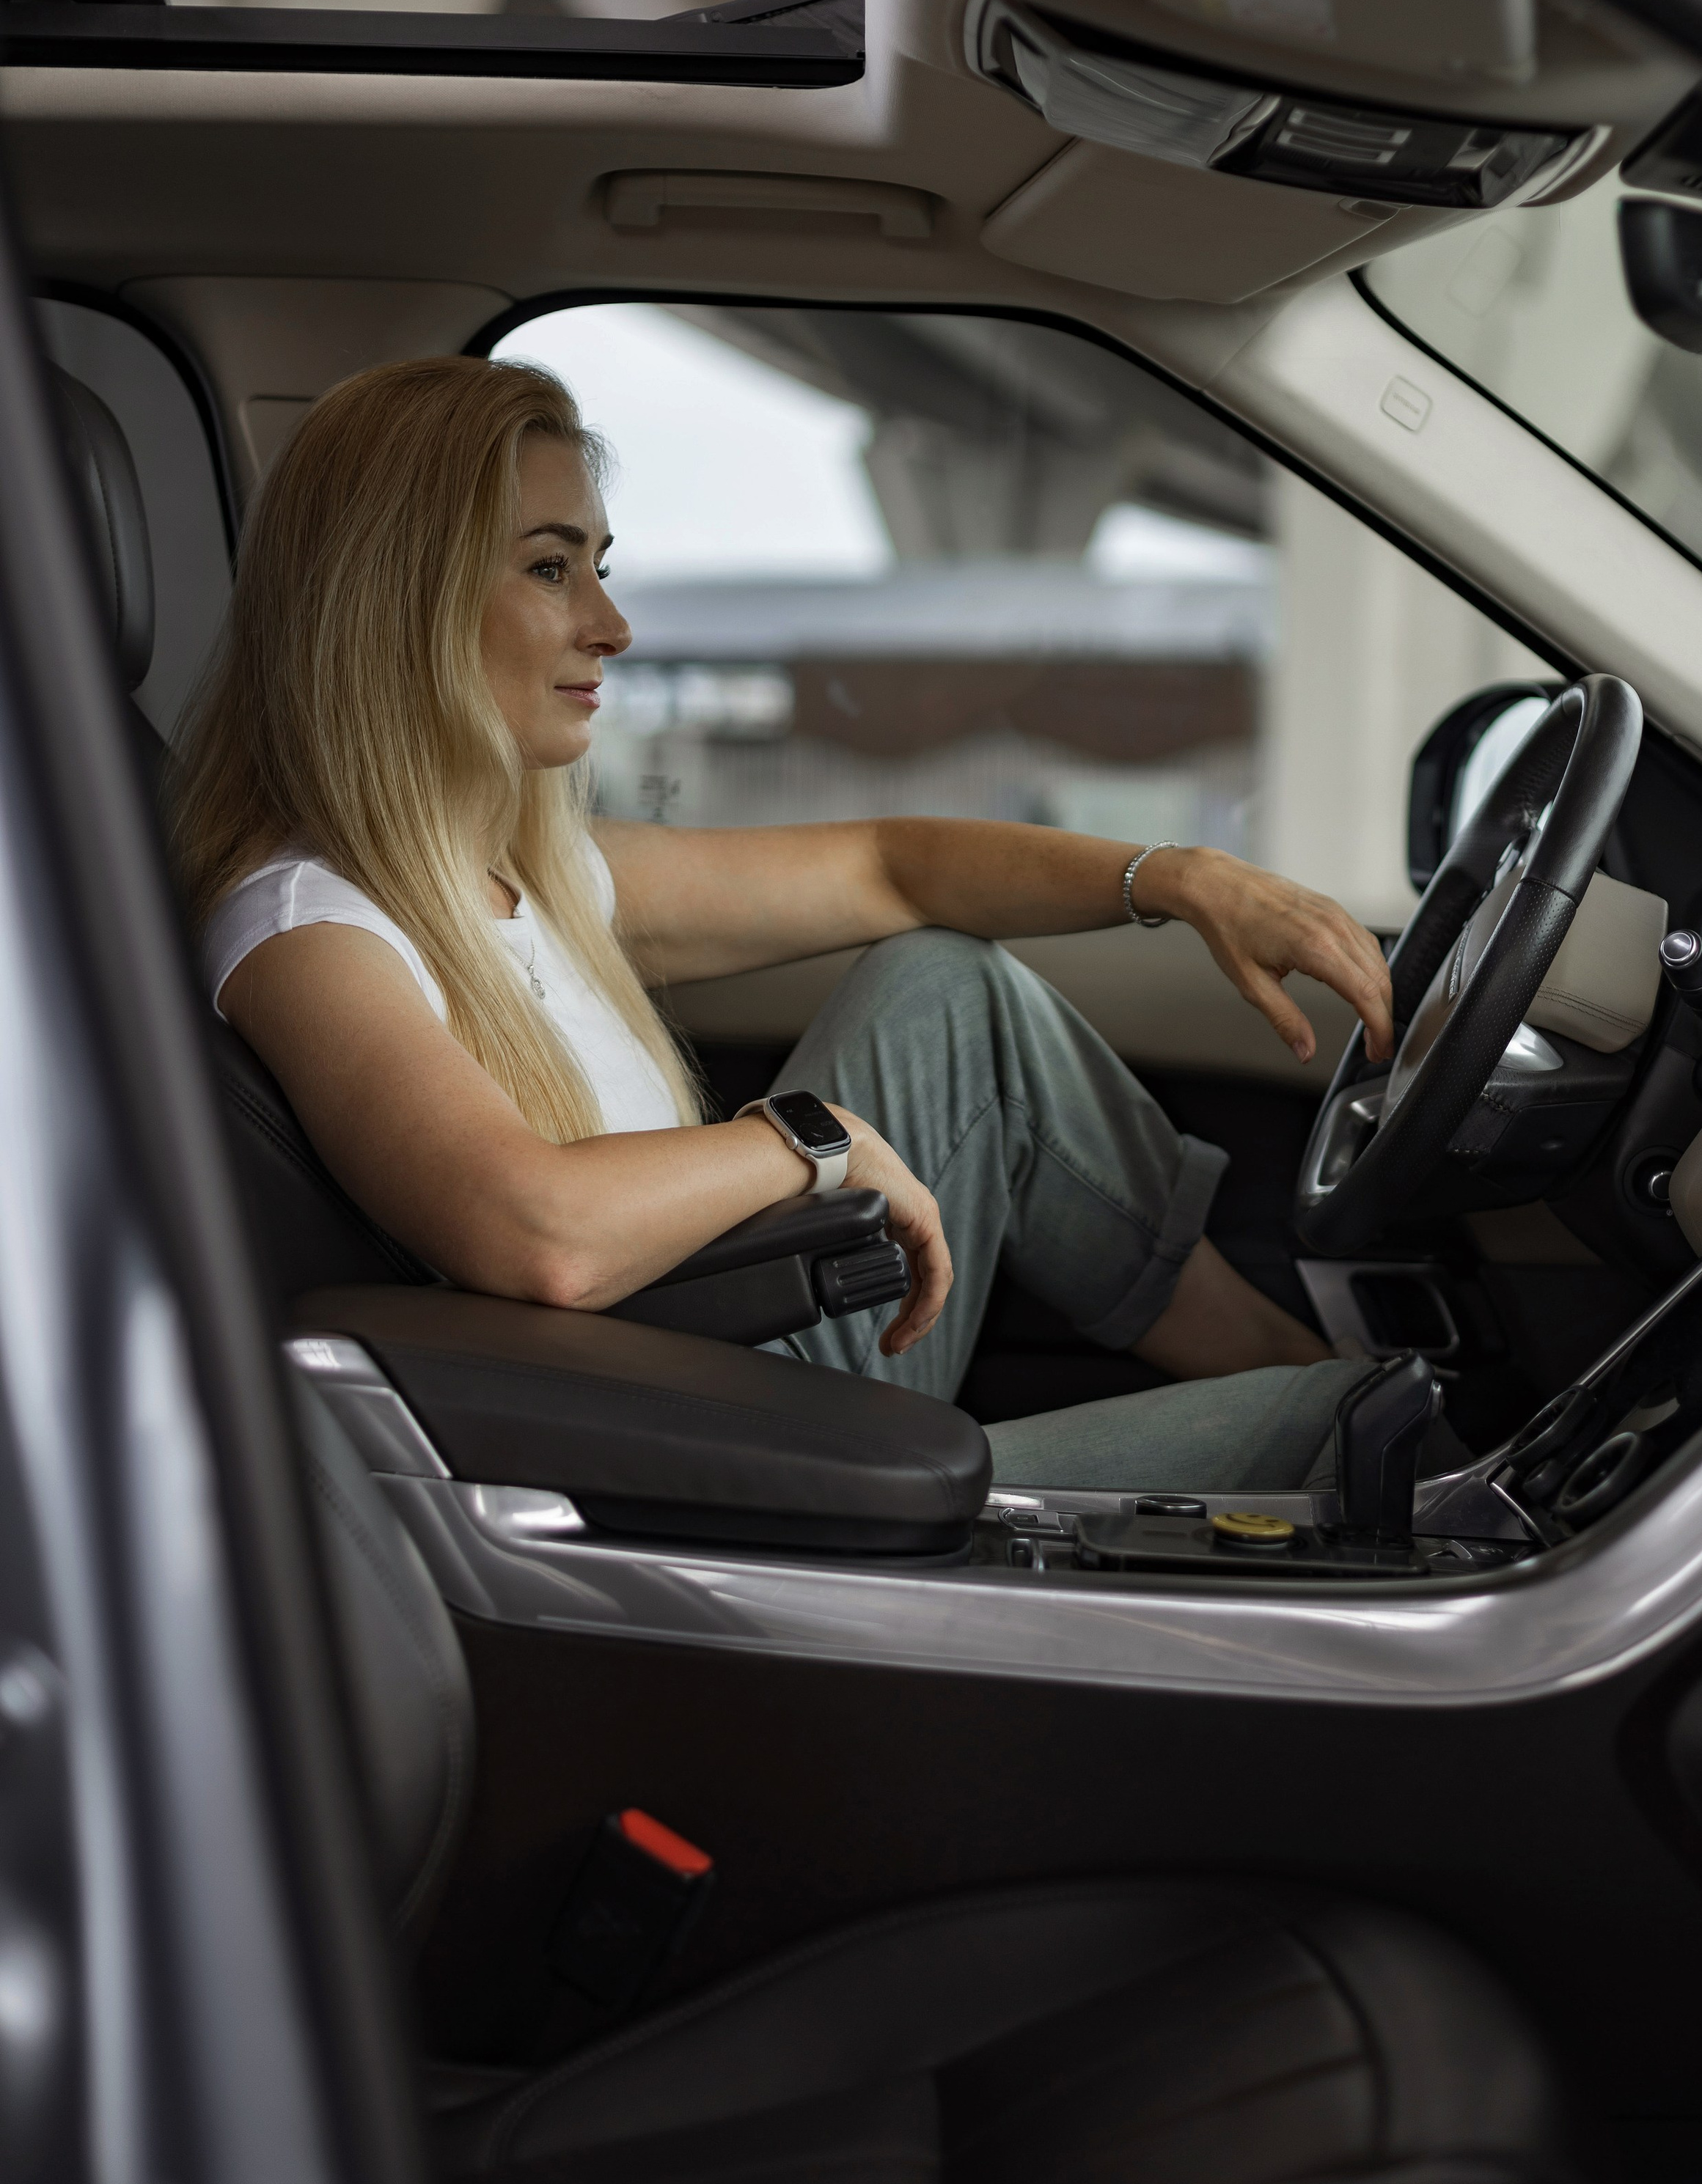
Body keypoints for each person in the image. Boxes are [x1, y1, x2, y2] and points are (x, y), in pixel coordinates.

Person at [174, 355, 1397, 1491]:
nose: (612, 625)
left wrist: (1179, 878)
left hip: (731, 1371)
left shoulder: (523, 875)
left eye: (602, 567)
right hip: (691, 1467)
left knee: (948, 984)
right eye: (551, 569)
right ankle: (1323, 1389)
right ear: (400, 599)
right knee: (1361, 1433)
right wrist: (813, 1142)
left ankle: (1285, 1357)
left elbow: (891, 868)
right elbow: (540, 1236)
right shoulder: (308, 930)